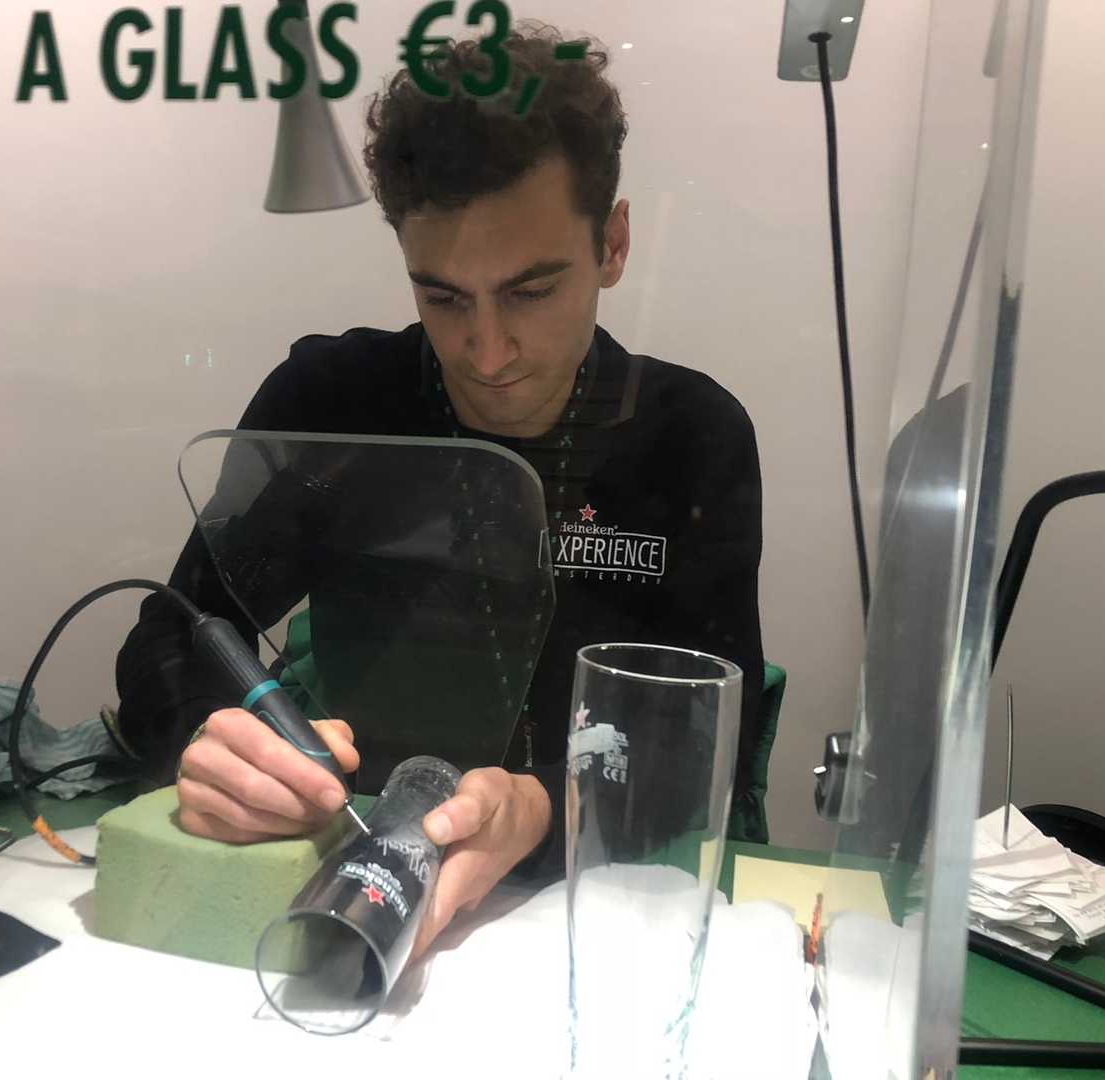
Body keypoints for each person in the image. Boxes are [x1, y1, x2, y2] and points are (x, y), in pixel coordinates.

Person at [115, 26, 763, 957]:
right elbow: (171, 639)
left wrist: (542, 805)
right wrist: (212, 744)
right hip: (353, 880)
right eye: (443, 297)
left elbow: (710, 736)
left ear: (613, 244)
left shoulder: (688, 435)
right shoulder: (333, 407)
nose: (487, 353)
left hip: (592, 900)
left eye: (531, 292)